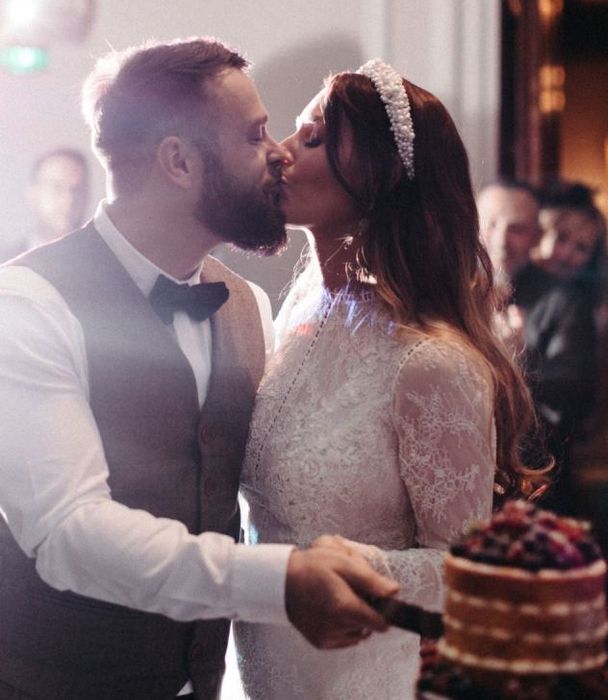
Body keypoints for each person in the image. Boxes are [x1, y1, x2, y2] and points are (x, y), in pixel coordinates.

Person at [0, 38, 398, 700]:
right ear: (179, 161)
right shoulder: (19, 307)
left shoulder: (247, 307)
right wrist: (276, 581)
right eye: (254, 135)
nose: (278, 152)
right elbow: (71, 533)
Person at [234, 60, 544, 699]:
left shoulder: (429, 362)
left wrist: (348, 568)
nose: (282, 154)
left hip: (363, 678)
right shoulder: (300, 308)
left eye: (314, 138)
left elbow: (467, 574)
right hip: (259, 670)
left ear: (379, 176)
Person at [478, 180, 598, 514]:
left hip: (535, 481)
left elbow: (576, 396)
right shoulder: (450, 289)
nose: (501, 240)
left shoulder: (564, 299)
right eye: (491, 224)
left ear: (534, 235)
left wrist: (517, 360)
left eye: (516, 229)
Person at [25, 147, 90, 248]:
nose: (68, 200)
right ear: (34, 195)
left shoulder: (110, 260)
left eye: (76, 190)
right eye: (57, 188)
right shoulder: (1, 262)